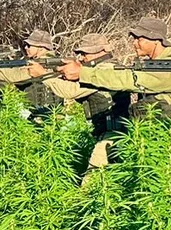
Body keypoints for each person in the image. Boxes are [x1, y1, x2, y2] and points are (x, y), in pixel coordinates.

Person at [58, 17, 171, 119]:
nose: (134, 43)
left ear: (156, 40)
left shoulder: (169, 69)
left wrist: (83, 73)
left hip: (167, 143)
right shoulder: (156, 65)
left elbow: (127, 79)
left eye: (139, 39)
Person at [34, 33, 124, 168]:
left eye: (85, 53)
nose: (81, 58)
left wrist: (43, 76)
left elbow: (71, 91)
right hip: (106, 132)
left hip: (112, 134)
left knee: (92, 180)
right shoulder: (97, 69)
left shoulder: (105, 69)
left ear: (99, 52)